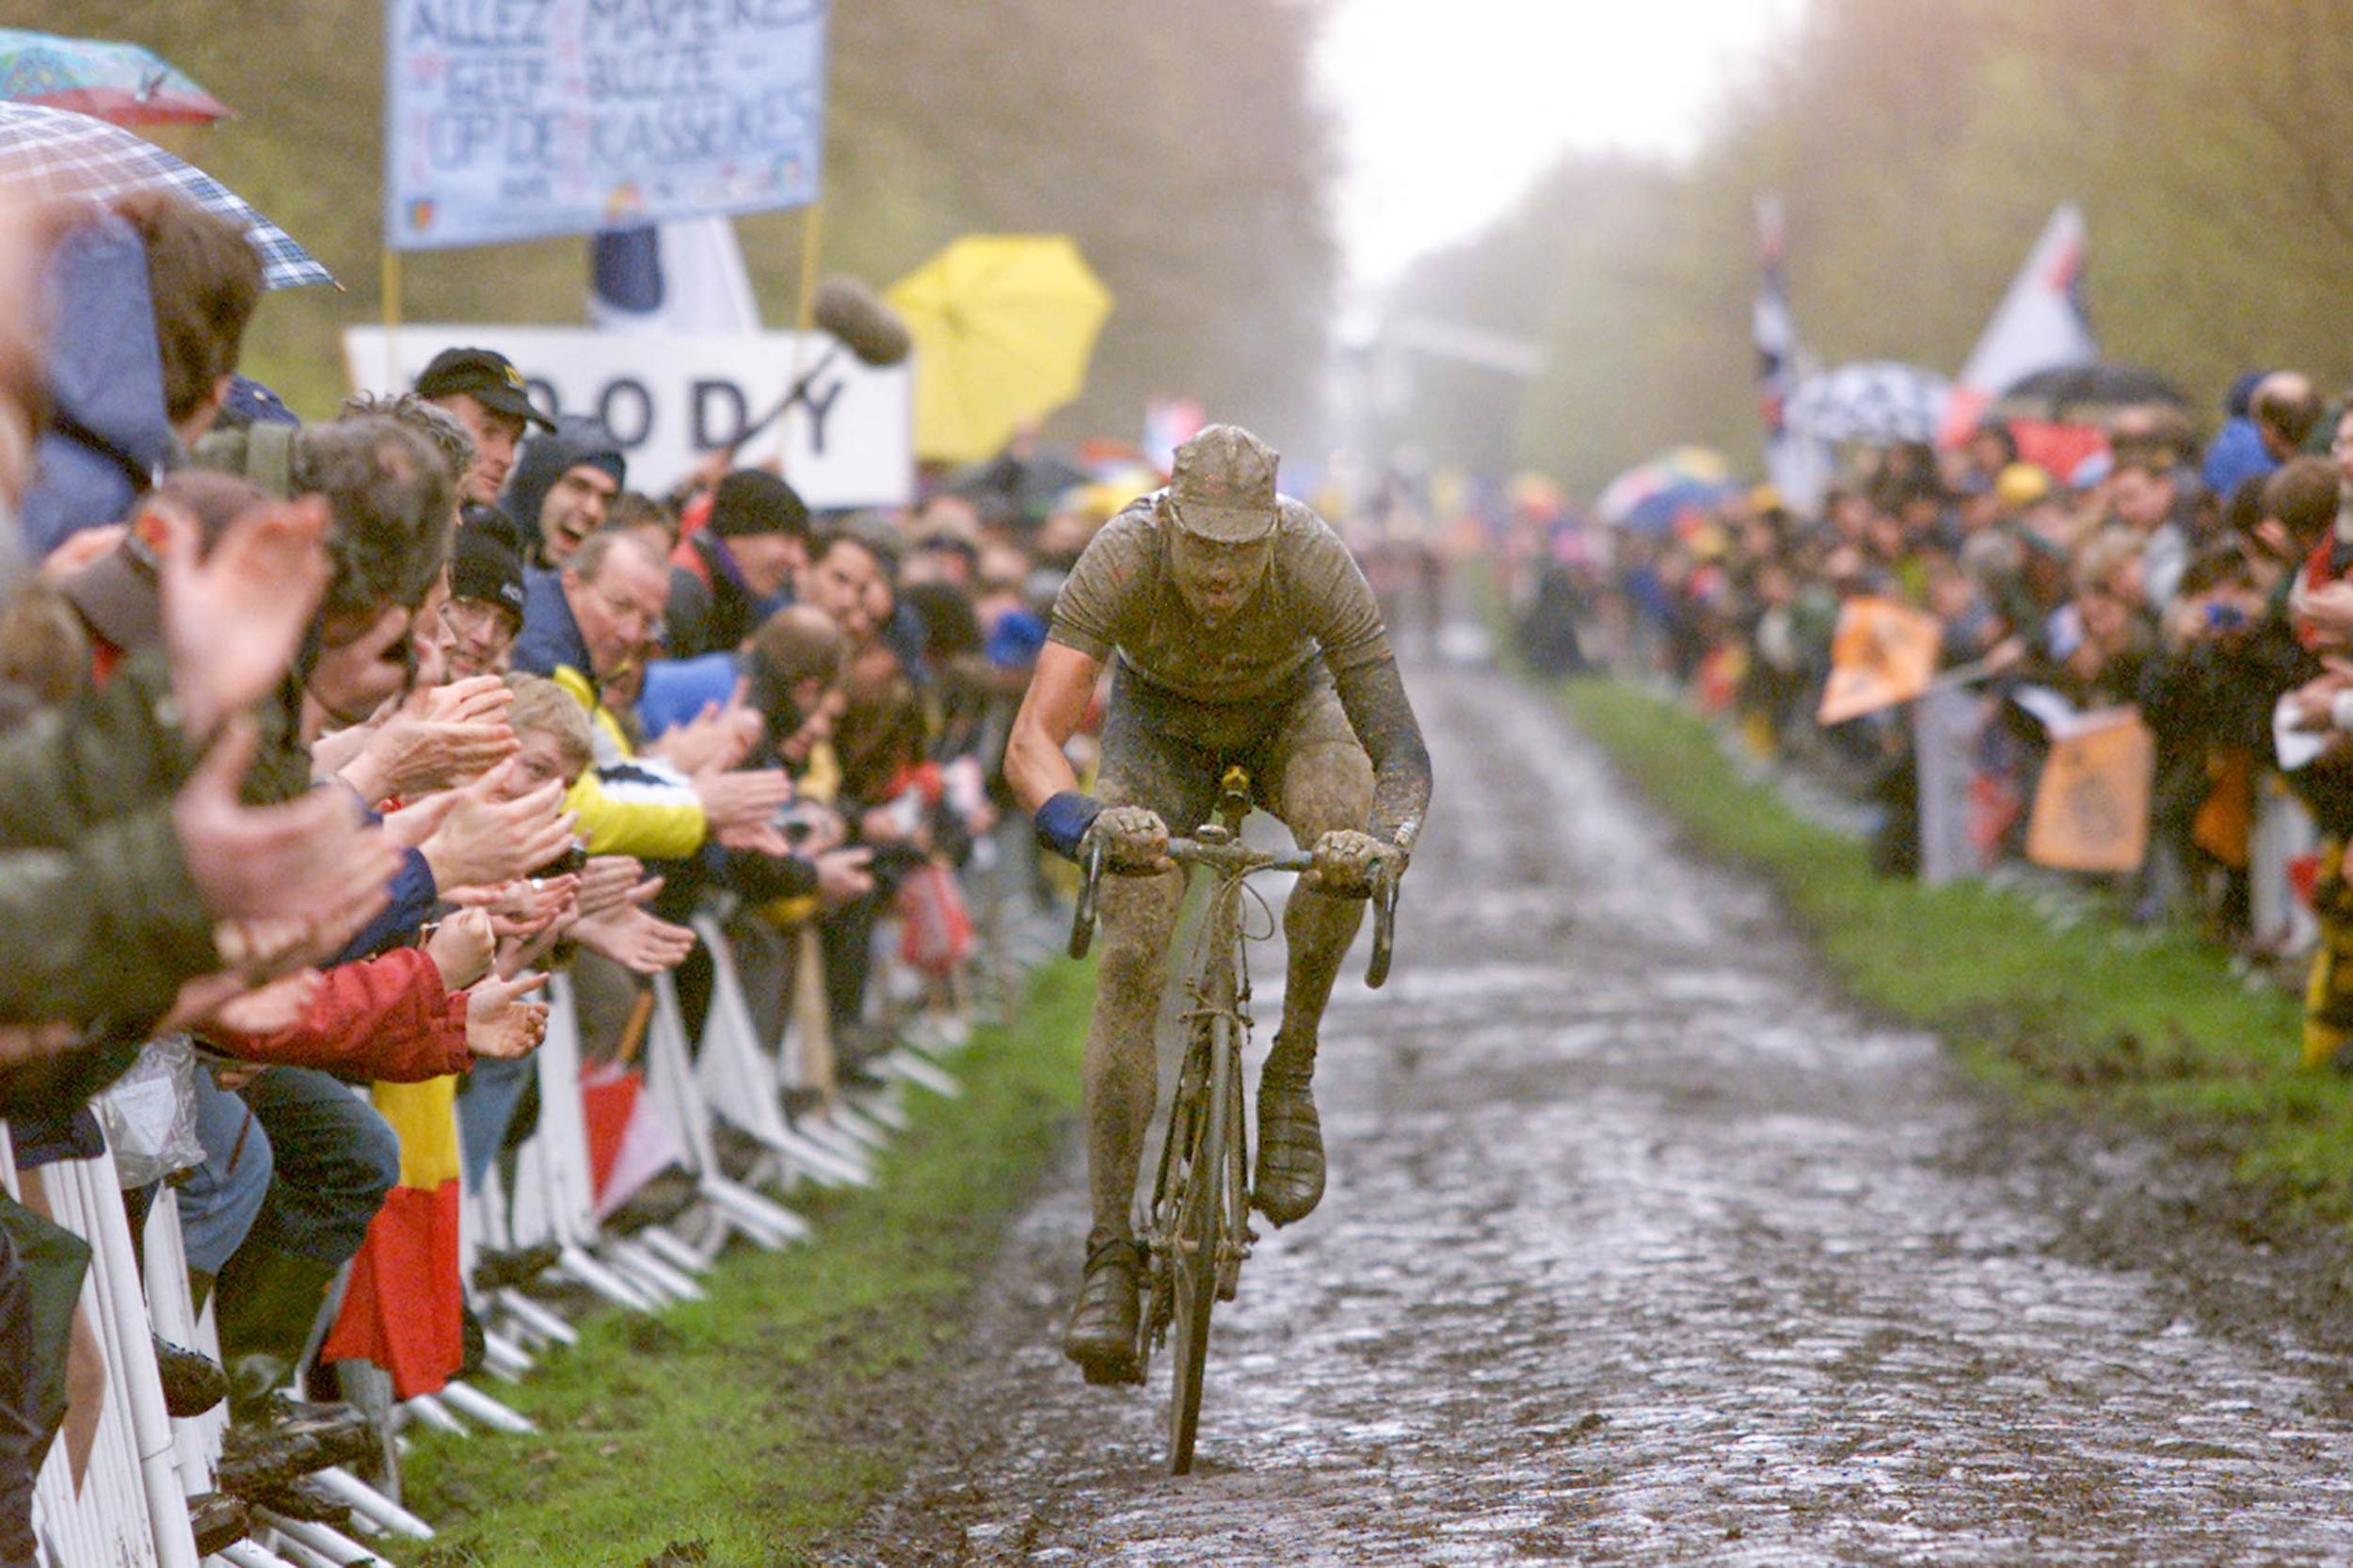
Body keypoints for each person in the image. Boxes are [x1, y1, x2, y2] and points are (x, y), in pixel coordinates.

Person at [1002, 424, 1432, 1384]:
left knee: (1336, 823)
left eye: (1241, 551)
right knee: (1131, 950)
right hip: (1160, 727)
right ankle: (1111, 1249)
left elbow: (1399, 751)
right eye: (1202, 547)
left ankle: (1291, 1066)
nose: (1220, 573)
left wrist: (1382, 843)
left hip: (1294, 711)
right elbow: (1033, 738)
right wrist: (1083, 825)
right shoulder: (1123, 552)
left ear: (1272, 533)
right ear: (1171, 523)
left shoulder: (1317, 559)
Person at [413, 345, 552, 510]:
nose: (507, 459)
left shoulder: (496, 530)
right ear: (427, 417)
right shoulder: (382, 521)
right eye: (489, 432)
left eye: (515, 441)